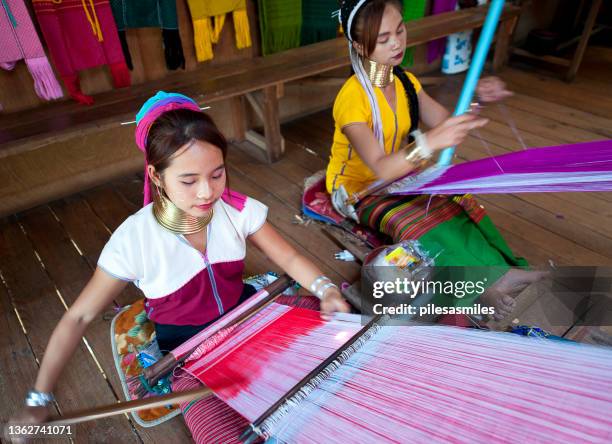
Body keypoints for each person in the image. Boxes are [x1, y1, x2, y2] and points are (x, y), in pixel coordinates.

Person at [10, 92, 350, 443]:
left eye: (217, 174)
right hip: (193, 354)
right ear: (156, 176)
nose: (207, 192)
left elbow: (290, 258)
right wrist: (38, 399)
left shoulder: (236, 210)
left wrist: (325, 289)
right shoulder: (135, 240)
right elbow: (78, 317)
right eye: (188, 181)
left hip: (251, 318)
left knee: (343, 350)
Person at [328, 0, 544, 320]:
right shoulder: (351, 99)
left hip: (400, 175)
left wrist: (477, 100)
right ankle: (477, 291)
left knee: (458, 202)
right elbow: (381, 167)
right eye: (384, 38)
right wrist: (430, 142)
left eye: (400, 30)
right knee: (421, 224)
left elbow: (446, 121)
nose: (397, 43)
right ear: (359, 45)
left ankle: (504, 270)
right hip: (361, 190)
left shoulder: (405, 82)